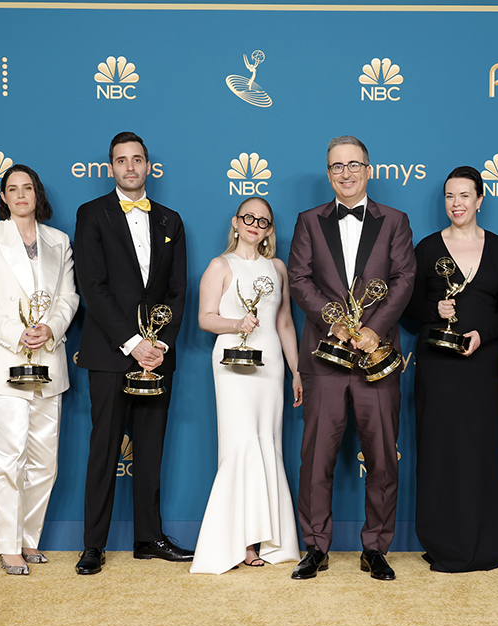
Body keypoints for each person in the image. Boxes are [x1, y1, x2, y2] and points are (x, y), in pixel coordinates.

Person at [287, 135, 416, 581]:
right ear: (328, 173)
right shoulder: (308, 221)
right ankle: (315, 547)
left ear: (369, 169)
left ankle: (376, 547)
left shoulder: (395, 221)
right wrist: (336, 322)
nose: (346, 173)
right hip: (324, 358)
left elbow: (403, 280)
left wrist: (373, 330)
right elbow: (299, 279)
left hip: (377, 359)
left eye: (354, 165)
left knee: (382, 456)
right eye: (337, 166)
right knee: (316, 458)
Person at [73, 131, 189, 575]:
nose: (130, 167)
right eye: (121, 160)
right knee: (103, 449)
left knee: (151, 447)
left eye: (137, 159)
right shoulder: (92, 215)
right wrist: (132, 343)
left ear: (147, 166)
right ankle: (93, 546)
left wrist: (159, 343)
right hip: (109, 352)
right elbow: (93, 287)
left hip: (157, 356)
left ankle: (148, 538)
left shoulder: (170, 220)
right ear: (111, 168)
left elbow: (179, 290)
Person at [0, 164, 79, 575]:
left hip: (49, 357)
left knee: (45, 461)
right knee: (6, 456)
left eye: (27, 187)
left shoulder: (59, 240)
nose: (20, 195)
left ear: (37, 193)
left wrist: (49, 327)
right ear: (3, 196)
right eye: (12, 189)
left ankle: (29, 540)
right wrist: (18, 333)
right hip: (1, 360)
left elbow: (68, 296)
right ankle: (8, 546)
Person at [405, 166, 498, 572]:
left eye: (465, 195)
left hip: (482, 365)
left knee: (481, 449)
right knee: (440, 450)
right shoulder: (428, 248)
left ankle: (486, 541)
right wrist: (434, 309)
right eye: (450, 196)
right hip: (438, 364)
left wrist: (483, 334)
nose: (457, 203)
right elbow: (409, 307)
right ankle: (442, 540)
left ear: (480, 199)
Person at [190, 197, 303, 574]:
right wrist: (236, 325)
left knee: (266, 443)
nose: (255, 224)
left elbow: (284, 323)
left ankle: (263, 541)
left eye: (264, 220)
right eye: (248, 217)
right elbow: (206, 319)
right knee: (239, 445)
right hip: (232, 363)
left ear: (270, 230)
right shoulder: (219, 266)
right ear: (236, 223)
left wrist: (297, 369)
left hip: (271, 365)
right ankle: (236, 543)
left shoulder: (278, 268)